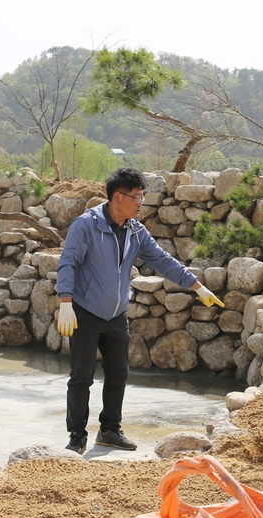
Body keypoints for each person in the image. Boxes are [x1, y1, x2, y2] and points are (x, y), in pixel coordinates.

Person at [56, 167, 223, 455]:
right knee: (81, 376)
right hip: (85, 311)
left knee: (118, 374)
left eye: (142, 198)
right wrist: (65, 302)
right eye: (136, 198)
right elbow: (68, 262)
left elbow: (162, 260)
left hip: (117, 314)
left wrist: (197, 286)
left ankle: (110, 430)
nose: (140, 204)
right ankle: (77, 436)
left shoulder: (136, 230)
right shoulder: (87, 226)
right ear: (118, 197)